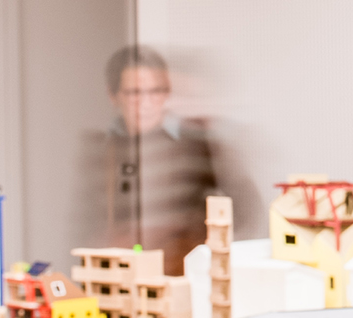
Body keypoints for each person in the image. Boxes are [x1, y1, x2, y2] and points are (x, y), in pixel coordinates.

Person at [80, 45, 250, 256]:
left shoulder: (195, 147)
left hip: (180, 270)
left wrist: (190, 240)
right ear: (113, 96)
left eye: (156, 92)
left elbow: (243, 209)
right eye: (134, 93)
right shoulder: (102, 153)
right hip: (124, 268)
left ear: (166, 93)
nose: (146, 103)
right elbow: (87, 224)